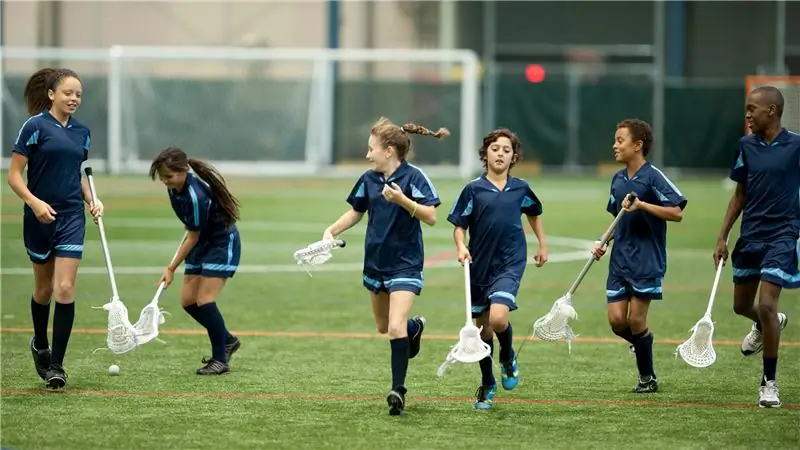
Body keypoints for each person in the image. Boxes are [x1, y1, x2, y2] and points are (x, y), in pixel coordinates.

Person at [323, 117, 446, 416]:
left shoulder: (414, 177)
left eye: (371, 149)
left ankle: (398, 391)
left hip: (406, 265)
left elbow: (431, 216)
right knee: (383, 326)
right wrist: (331, 231)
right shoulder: (369, 179)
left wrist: (402, 200)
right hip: (376, 264)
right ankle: (415, 328)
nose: (367, 155)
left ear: (389, 151)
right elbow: (356, 211)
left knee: (394, 326)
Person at [7, 68, 103, 389]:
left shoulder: (82, 132)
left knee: (64, 288)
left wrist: (92, 199)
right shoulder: (34, 127)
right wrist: (34, 203)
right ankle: (39, 343)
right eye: (68, 93)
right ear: (51, 95)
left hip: (71, 217)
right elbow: (14, 176)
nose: (74, 98)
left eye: (78, 94)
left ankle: (57, 366)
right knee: (44, 291)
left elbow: (75, 173)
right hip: (38, 218)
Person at [446, 128, 548, 409]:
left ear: (514, 156)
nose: (500, 154)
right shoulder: (473, 189)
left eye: (506, 150)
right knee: (482, 333)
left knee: (499, 319)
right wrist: (460, 246)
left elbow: (534, 213)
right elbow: (459, 226)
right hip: (480, 265)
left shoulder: (521, 188)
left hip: (510, 262)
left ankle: (507, 356)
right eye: (495, 149)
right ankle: (488, 383)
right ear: (485, 154)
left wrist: (542, 244)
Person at [713, 86, 798, 408]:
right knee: (741, 305)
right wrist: (722, 236)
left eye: (752, 109)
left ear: (771, 111)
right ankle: (767, 323)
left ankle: (769, 384)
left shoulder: (796, 146)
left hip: (783, 235)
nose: (747, 115)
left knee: (767, 304)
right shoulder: (746, 145)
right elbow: (740, 195)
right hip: (751, 236)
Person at [591, 118, 687, 394]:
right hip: (620, 259)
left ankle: (647, 378)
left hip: (647, 258)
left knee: (636, 321)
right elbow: (616, 219)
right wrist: (603, 241)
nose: (614, 145)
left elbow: (677, 212)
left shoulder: (653, 176)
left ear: (638, 145)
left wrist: (642, 205)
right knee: (616, 321)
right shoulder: (618, 179)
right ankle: (643, 343)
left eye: (620, 140)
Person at [149, 147, 243, 375]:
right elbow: (191, 229)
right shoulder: (174, 189)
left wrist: (171, 268)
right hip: (201, 242)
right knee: (188, 301)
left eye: (169, 176)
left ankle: (220, 360)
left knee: (205, 300)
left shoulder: (196, 195)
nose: (166, 181)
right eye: (162, 178)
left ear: (184, 170)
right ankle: (227, 340)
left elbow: (193, 235)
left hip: (220, 243)